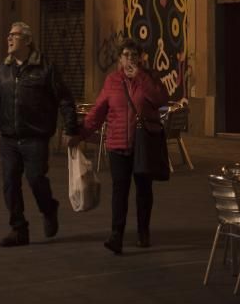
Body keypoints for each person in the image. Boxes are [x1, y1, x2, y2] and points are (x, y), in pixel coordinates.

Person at [69, 38, 168, 255]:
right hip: (117, 144)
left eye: (134, 55)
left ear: (140, 58)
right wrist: (81, 133)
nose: (130, 59)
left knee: (143, 190)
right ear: (120, 59)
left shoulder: (149, 77)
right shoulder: (112, 81)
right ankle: (117, 235)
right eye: (126, 55)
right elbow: (98, 110)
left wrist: (140, 77)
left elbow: (160, 98)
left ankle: (143, 232)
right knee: (119, 191)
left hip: (142, 145)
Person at [0, 21, 78, 247]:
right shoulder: (0, 72)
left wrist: (71, 128)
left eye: (14, 35)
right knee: (10, 184)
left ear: (27, 41)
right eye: (8, 35)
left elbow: (64, 98)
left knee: (36, 179)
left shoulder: (46, 68)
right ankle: (19, 229)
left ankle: (49, 208)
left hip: (35, 137)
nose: (9, 39)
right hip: (9, 139)